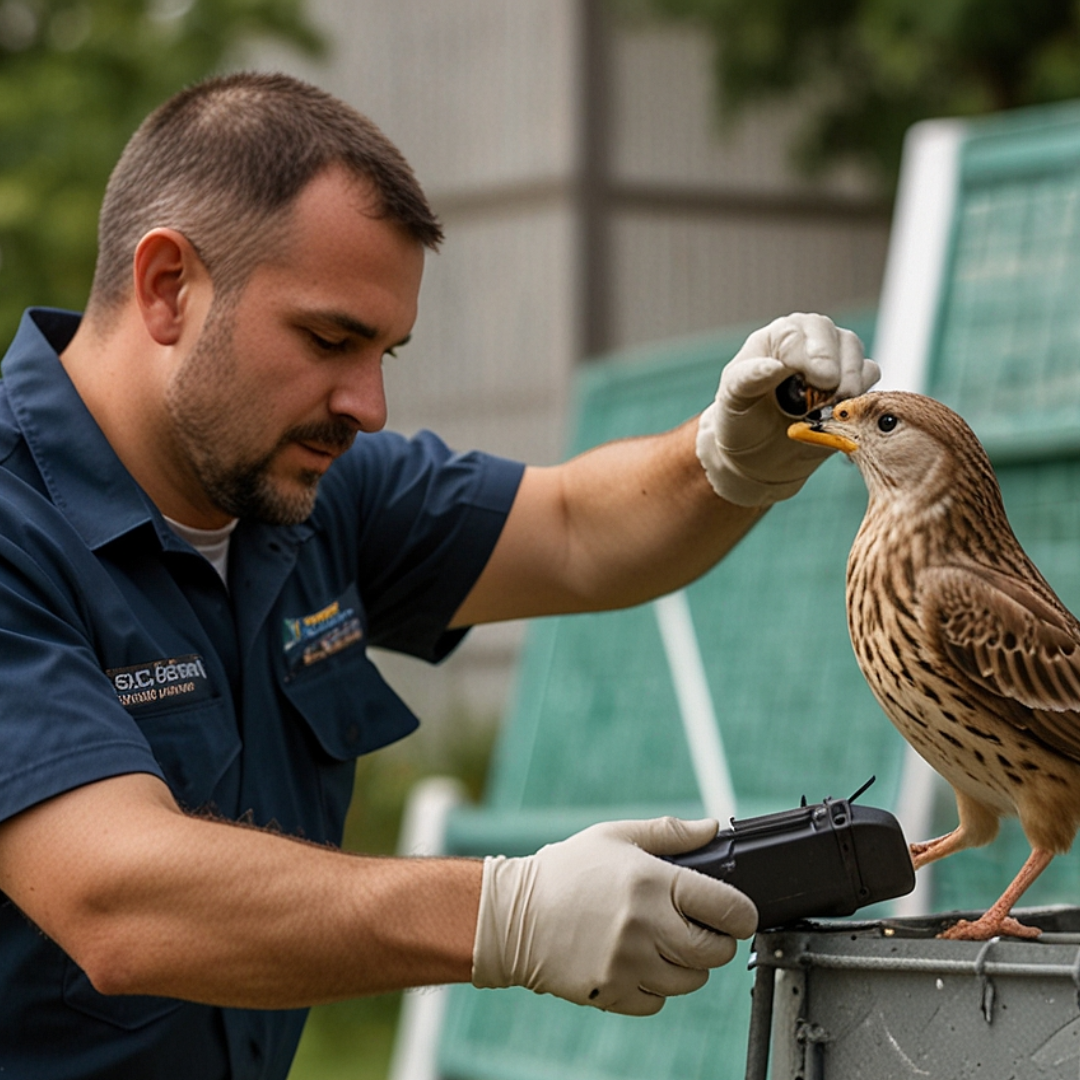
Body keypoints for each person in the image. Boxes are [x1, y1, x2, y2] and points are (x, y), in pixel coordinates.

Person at [0, 72, 879, 1079]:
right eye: (331, 340)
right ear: (166, 287)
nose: (368, 404)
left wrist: (723, 461)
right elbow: (118, 897)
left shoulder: (306, 485)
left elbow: (572, 528)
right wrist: (504, 914)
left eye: (388, 352)